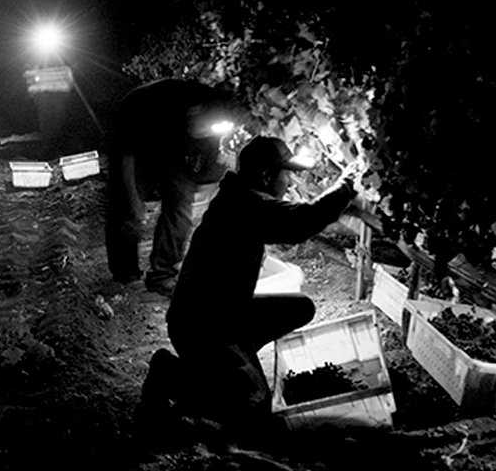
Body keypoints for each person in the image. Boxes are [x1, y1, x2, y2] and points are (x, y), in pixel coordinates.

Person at [136, 135, 361, 444]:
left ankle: (233, 362)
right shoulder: (245, 205)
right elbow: (300, 223)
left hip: (220, 314)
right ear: (267, 176)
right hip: (201, 326)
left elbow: (292, 217)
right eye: (287, 173)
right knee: (251, 409)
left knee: (299, 309)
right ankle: (171, 375)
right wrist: (347, 186)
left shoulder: (239, 197)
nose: (289, 180)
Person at [105, 78, 234, 295]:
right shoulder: (148, 108)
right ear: (193, 113)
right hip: (139, 143)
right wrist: (136, 201)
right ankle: (125, 275)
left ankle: (162, 274)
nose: (204, 135)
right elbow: (126, 158)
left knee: (181, 206)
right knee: (125, 210)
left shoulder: (213, 114)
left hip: (176, 148)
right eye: (200, 129)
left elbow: (209, 171)